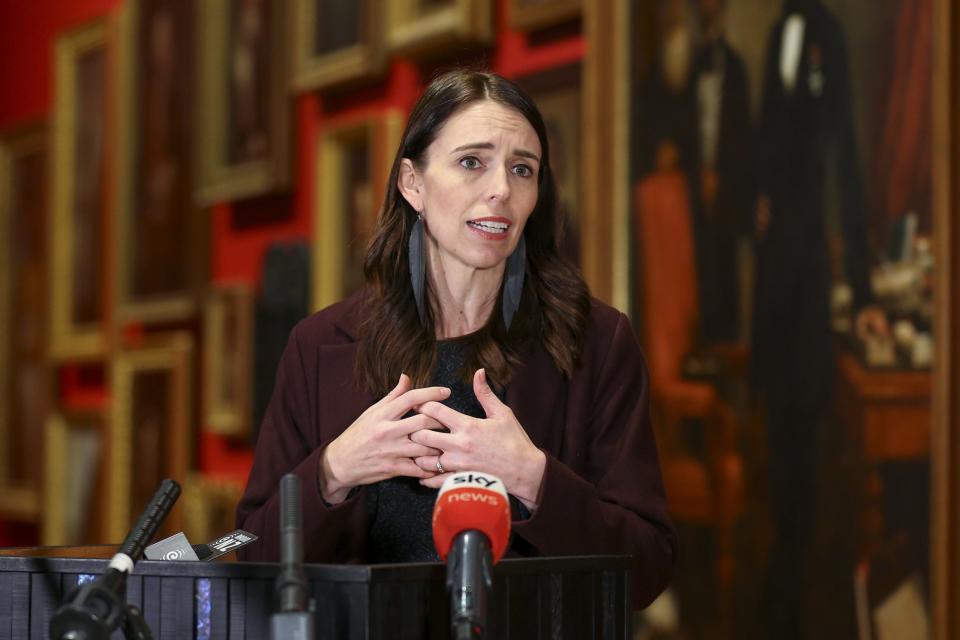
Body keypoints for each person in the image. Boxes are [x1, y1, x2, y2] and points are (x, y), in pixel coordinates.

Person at [236, 69, 677, 608]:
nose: (501, 189)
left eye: (523, 169)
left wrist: (536, 479)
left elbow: (649, 564)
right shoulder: (320, 344)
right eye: (472, 162)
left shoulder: (597, 342)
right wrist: (334, 471)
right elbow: (251, 555)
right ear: (412, 183)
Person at [751, 1, 888, 636]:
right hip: (775, 269)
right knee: (776, 427)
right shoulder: (779, 32)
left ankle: (806, 585)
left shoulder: (825, 32)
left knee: (809, 425)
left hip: (812, 268)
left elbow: (846, 160)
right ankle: (779, 577)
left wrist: (860, 288)